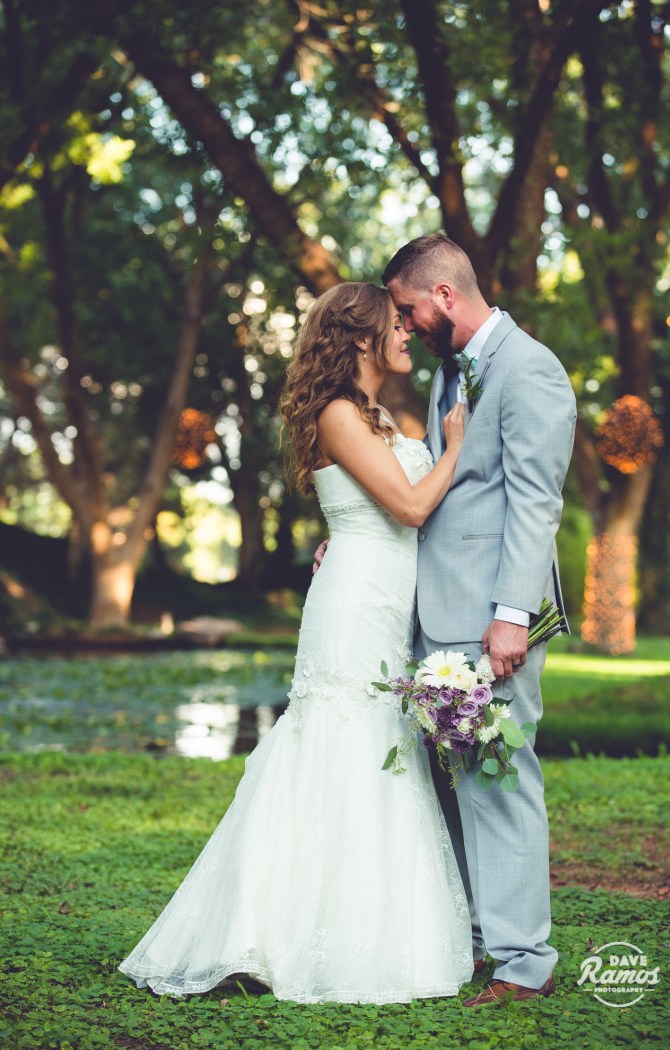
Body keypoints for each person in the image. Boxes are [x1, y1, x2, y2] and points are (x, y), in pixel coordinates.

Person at [119, 281, 474, 1004]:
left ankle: (368, 924)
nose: (407, 333)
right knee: (339, 744)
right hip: (351, 610)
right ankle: (269, 932)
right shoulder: (340, 412)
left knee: (380, 750)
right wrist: (457, 449)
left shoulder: (372, 414)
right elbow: (407, 506)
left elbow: (376, 509)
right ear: (361, 338)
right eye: (395, 324)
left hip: (381, 599)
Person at [381, 233, 577, 1006]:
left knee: (499, 780)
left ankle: (525, 960)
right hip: (442, 616)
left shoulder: (529, 369)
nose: (404, 327)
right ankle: (472, 937)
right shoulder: (453, 373)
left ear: (445, 297)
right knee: (458, 779)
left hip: (489, 622)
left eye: (407, 311)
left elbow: (534, 501)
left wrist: (511, 617)